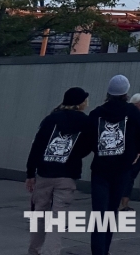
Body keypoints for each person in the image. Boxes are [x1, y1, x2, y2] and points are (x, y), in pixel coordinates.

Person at [85, 74, 140, 255]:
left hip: (100, 168)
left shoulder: (97, 113)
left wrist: (98, 150)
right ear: (126, 93)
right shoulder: (132, 111)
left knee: (99, 213)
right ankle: (104, 250)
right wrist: (137, 150)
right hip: (122, 168)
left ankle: (97, 251)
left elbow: (88, 138)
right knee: (111, 211)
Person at [25, 87, 93, 255]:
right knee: (58, 217)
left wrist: (30, 173)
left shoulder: (50, 119)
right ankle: (51, 251)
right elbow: (88, 147)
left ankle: (34, 250)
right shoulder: (85, 121)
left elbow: (37, 146)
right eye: (85, 100)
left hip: (45, 173)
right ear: (80, 103)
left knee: (39, 214)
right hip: (67, 175)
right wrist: (75, 154)